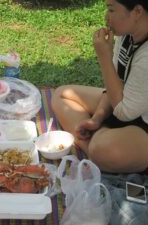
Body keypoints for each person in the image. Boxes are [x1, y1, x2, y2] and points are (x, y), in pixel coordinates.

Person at [52, 0, 148, 173]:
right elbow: (115, 88)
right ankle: (97, 146)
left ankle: (96, 151)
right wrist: (96, 119)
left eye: (111, 10)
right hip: (125, 104)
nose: (106, 17)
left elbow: (124, 112)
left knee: (103, 150)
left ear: (137, 11)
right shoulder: (128, 34)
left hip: (142, 126)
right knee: (62, 94)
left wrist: (104, 56)